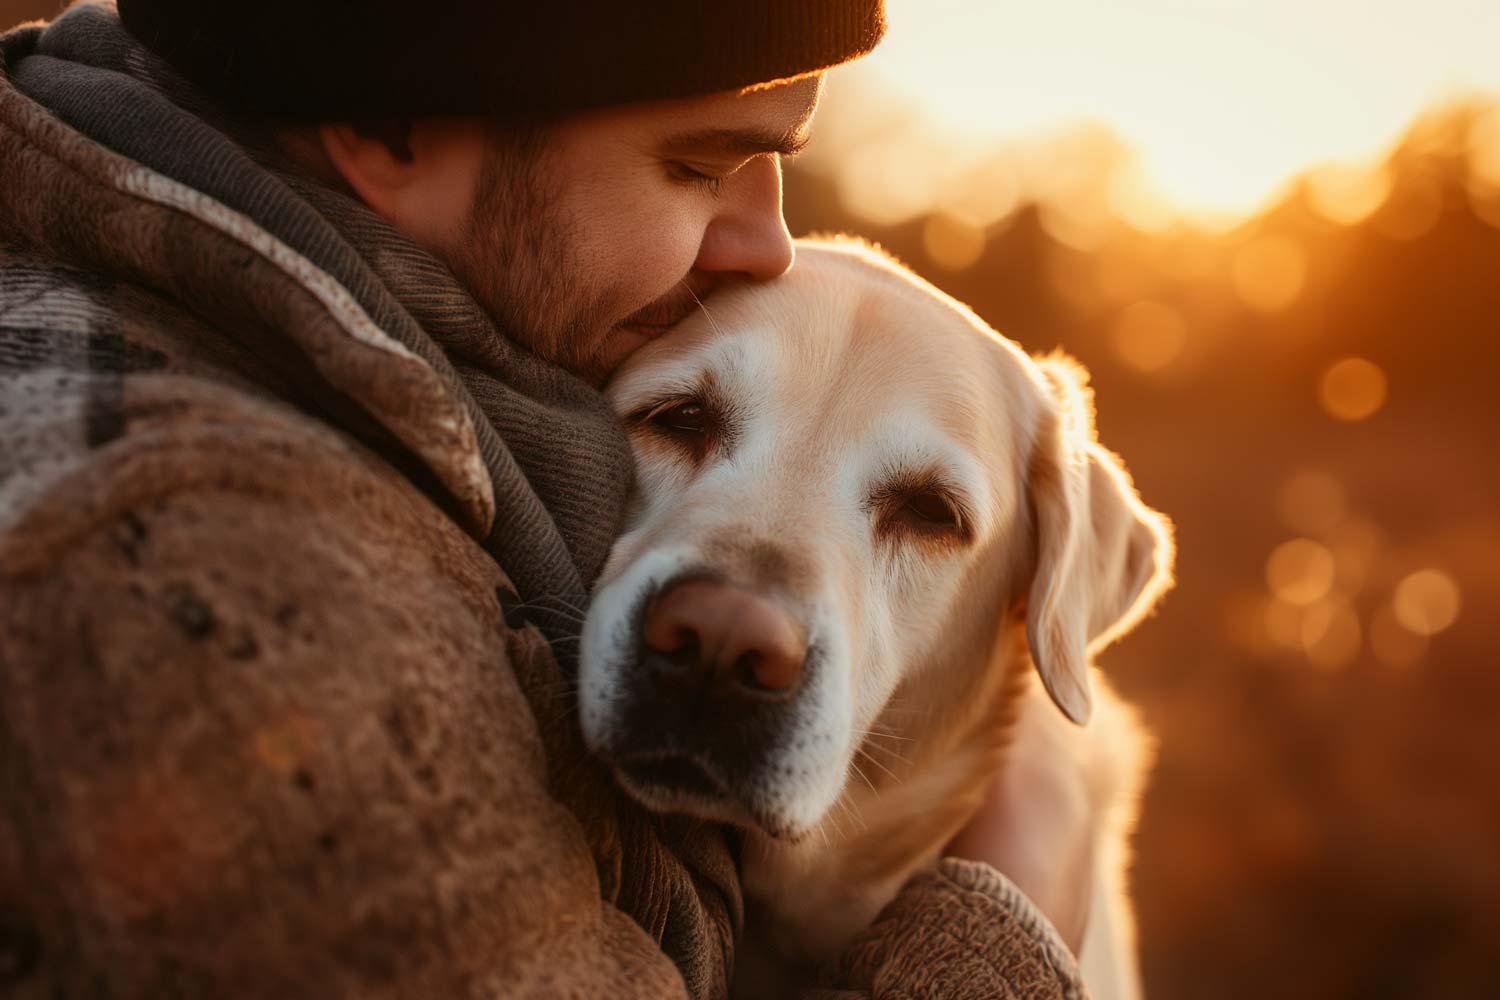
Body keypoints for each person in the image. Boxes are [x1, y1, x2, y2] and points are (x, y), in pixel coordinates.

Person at [0, 1, 1094, 996]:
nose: (770, 248)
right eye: (696, 168)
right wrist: (1024, 906)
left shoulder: (411, 397)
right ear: (395, 123)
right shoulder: (228, 593)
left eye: (775, 171)